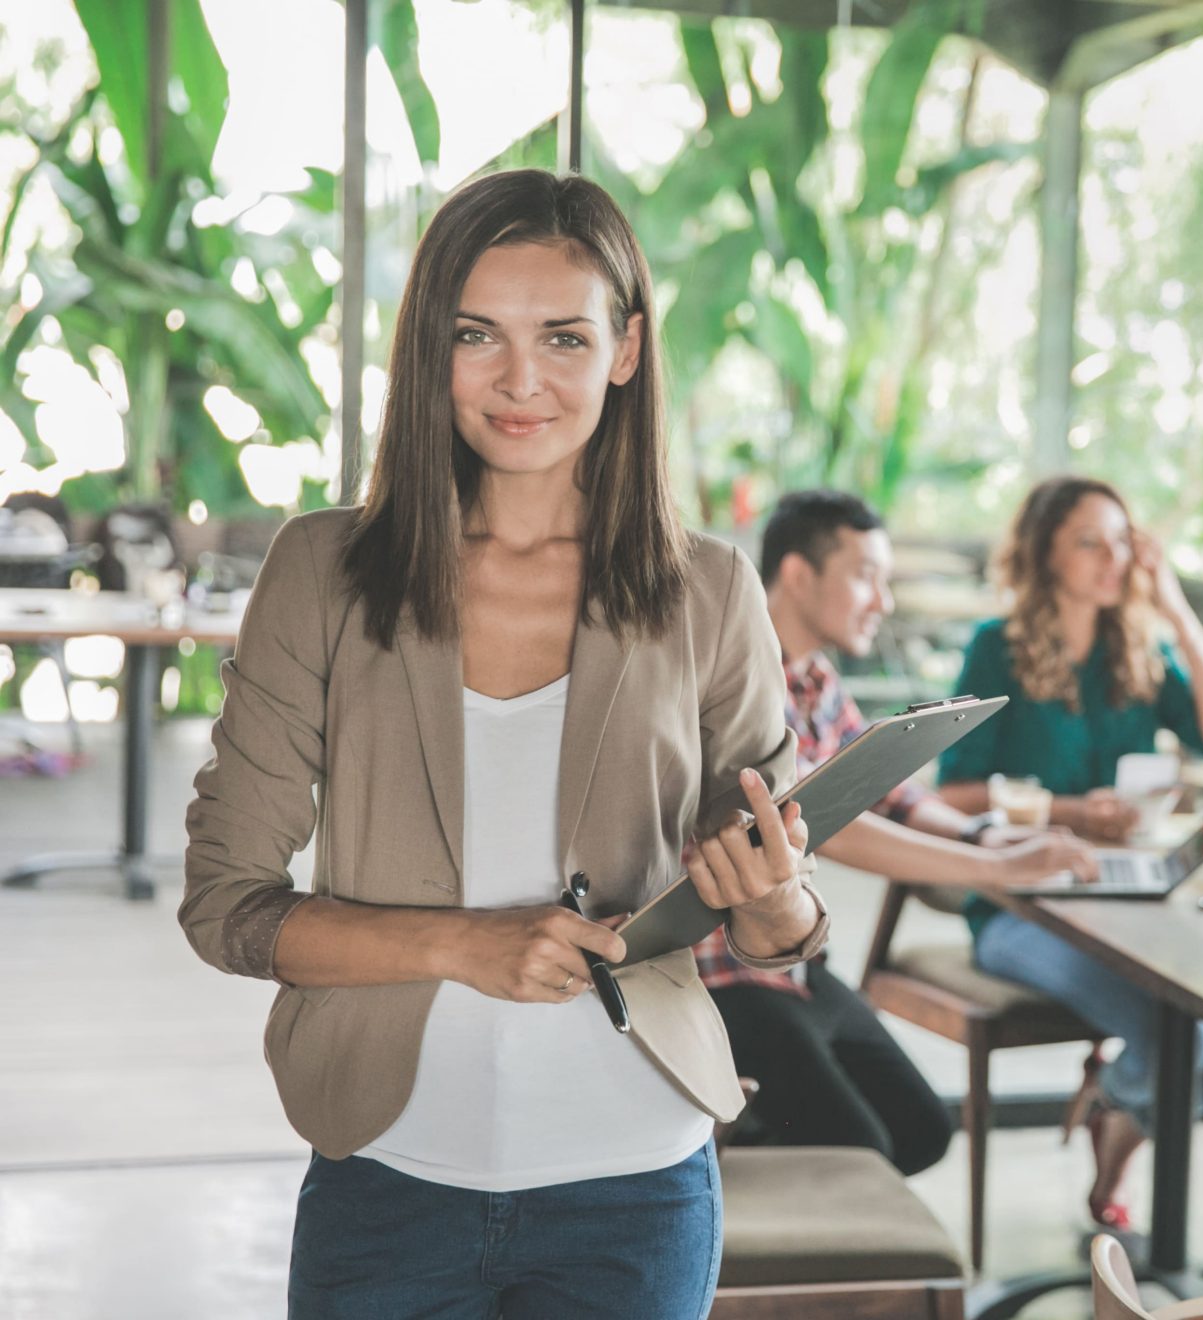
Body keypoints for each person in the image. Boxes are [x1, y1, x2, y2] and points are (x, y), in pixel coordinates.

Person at [179, 170, 828, 1320]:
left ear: (625, 352)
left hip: (636, 1187)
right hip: (389, 1179)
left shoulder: (710, 592)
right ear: (429, 349)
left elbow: (781, 924)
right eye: (476, 334)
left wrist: (773, 901)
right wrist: (464, 945)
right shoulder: (322, 574)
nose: (520, 381)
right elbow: (227, 908)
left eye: (564, 338)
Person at [694, 489, 1095, 1176]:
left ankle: (755, 1156)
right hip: (722, 982)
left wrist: (981, 836)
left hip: (793, 968)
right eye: (865, 576)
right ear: (797, 575)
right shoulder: (736, 677)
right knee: (860, 1156)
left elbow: (888, 792)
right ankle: (726, 1177)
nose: (881, 600)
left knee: (923, 1133)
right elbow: (819, 823)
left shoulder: (815, 678)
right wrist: (994, 872)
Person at [934, 474, 1203, 1229]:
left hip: (1132, 901)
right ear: (1044, 555)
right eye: (1089, 542)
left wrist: (1175, 607)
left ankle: (1115, 1115)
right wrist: (1074, 812)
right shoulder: (998, 650)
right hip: (1024, 909)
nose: (1111, 558)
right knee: (1168, 1032)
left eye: (1121, 540)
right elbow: (951, 796)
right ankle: (1125, 1127)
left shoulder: (1136, 652)